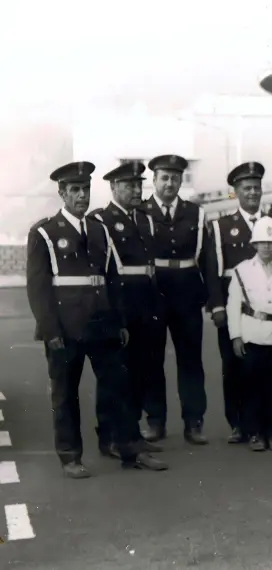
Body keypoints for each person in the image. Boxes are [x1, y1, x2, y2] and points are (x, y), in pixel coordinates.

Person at [26, 161, 166, 478]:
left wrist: (119, 322)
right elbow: (38, 287)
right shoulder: (45, 232)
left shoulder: (99, 229)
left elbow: (112, 278)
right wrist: (50, 331)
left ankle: (130, 447)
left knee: (119, 386)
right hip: (66, 326)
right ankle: (70, 455)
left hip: (102, 323)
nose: (81, 195)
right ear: (62, 193)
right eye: (75, 190)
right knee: (65, 393)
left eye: (85, 189)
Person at [89, 160, 167, 466]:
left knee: (139, 371)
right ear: (113, 187)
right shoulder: (101, 220)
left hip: (146, 304)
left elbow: (150, 268)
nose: (136, 190)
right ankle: (108, 436)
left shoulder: (145, 219)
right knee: (115, 375)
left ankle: (130, 436)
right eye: (128, 185)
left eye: (138, 185)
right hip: (120, 302)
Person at [205, 161, 272, 444]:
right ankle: (237, 423)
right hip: (233, 308)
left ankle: (261, 422)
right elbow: (213, 270)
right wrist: (218, 307)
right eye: (246, 188)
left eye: (256, 188)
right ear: (235, 192)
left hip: (265, 310)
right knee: (233, 365)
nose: (252, 193)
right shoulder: (222, 226)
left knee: (262, 366)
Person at [140, 154, 209, 445]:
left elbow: (207, 258)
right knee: (152, 360)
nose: (170, 183)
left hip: (187, 294)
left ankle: (193, 422)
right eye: (164, 177)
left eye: (175, 178)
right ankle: (155, 421)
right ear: (154, 181)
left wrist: (211, 299)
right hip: (154, 294)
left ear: (181, 181)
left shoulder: (196, 213)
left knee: (191, 361)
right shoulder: (140, 212)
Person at [226, 216, 272, 452]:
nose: (267, 246)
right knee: (250, 385)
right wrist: (236, 336)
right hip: (251, 334)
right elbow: (233, 305)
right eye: (262, 242)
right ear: (254, 244)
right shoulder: (242, 270)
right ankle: (254, 432)